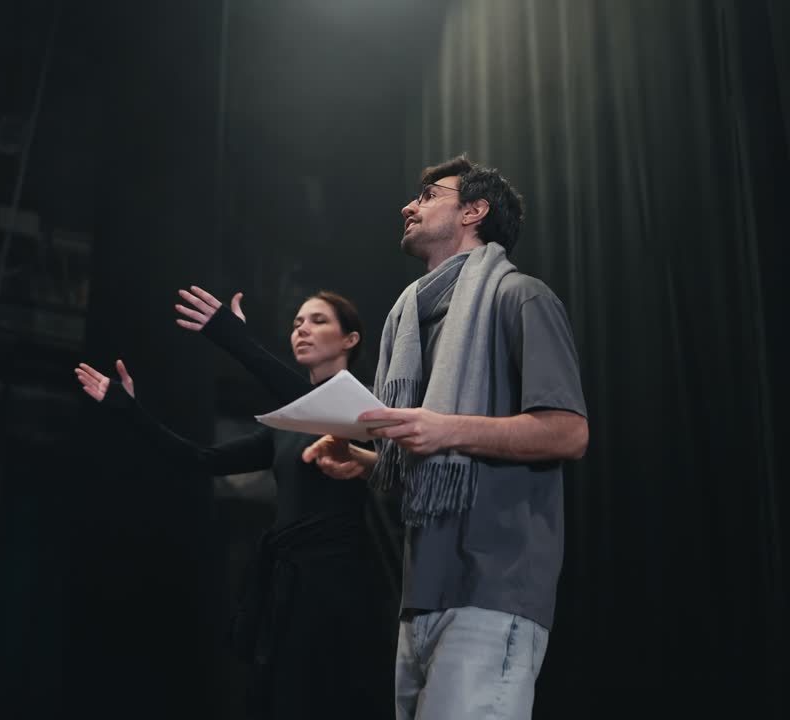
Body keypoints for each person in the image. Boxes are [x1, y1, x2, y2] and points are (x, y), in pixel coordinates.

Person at [302, 155, 589, 720]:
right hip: (421, 597)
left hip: (495, 590)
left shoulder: (519, 297)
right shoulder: (409, 322)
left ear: (474, 211)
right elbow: (435, 463)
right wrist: (366, 460)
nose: (410, 205)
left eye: (430, 194)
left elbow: (569, 432)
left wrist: (441, 428)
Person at [74, 289, 393, 720]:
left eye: (318, 320)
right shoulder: (287, 424)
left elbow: (312, 404)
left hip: (339, 591)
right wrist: (130, 411)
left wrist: (235, 340)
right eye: (297, 322)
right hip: (289, 586)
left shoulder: (362, 408)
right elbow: (200, 460)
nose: (302, 329)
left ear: (350, 339)